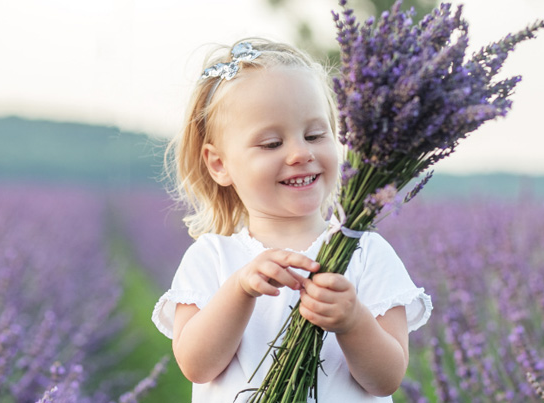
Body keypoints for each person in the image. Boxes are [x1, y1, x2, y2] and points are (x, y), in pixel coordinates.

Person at [152, 38, 432, 402]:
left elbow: (386, 379)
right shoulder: (213, 258)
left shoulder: (365, 252)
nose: (300, 153)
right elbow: (196, 365)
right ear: (219, 163)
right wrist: (240, 290)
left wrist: (353, 322)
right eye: (271, 144)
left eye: (315, 135)